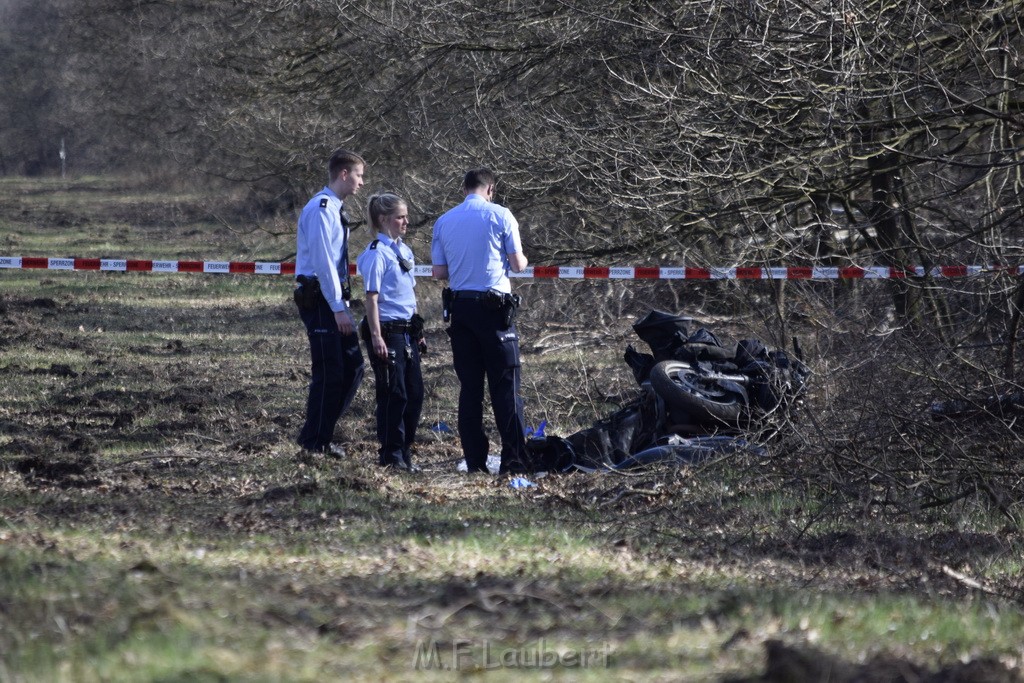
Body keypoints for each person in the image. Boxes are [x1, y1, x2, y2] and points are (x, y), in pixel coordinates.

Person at [431, 167, 532, 474]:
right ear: (491, 189)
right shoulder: (501, 215)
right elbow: (517, 264)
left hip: (461, 310)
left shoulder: (444, 220)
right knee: (505, 387)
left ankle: (475, 463)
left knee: (470, 389)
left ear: (464, 188)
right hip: (494, 312)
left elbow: (438, 272)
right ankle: (514, 461)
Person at [293, 148, 366, 456]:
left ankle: (319, 433)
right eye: (359, 176)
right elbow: (324, 263)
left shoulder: (335, 208)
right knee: (330, 372)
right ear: (344, 174)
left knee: (353, 367)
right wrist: (337, 307)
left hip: (334, 300)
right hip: (321, 300)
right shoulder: (322, 209)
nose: (362, 183)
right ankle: (315, 443)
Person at [356, 193, 425, 472]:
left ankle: (405, 449)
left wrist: (418, 329)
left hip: (407, 331)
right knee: (393, 394)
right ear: (384, 219)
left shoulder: (404, 251)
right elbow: (371, 298)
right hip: (387, 331)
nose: (406, 221)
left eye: (406, 216)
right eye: (400, 217)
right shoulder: (376, 254)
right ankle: (390, 454)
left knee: (414, 393)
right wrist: (376, 337)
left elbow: (409, 294)